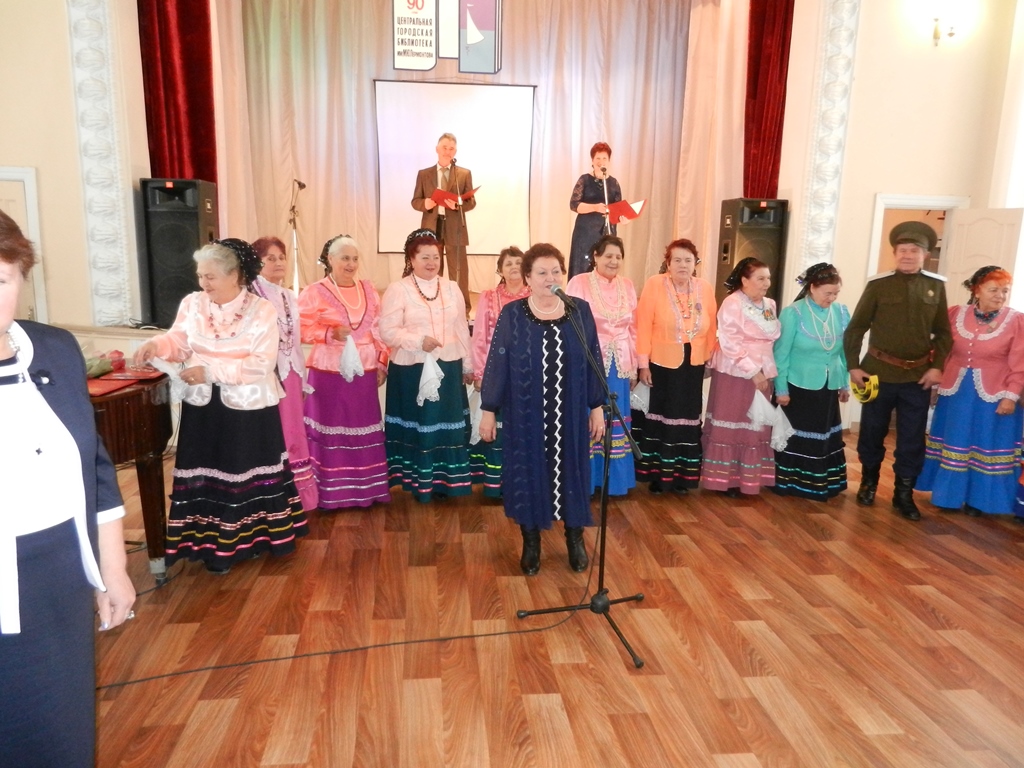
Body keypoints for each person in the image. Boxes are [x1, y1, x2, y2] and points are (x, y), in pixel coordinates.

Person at [0, 209, 135, 766]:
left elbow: (94, 467)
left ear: (22, 278)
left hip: (58, 576)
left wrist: (113, 569)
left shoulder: (54, 349)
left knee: (59, 736)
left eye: (1, 279)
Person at [133, 239, 307, 573]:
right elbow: (178, 341)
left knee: (243, 475)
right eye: (201, 275)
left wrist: (211, 372)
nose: (203, 283)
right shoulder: (193, 303)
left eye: (210, 276)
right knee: (208, 474)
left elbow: (261, 363)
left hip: (249, 410)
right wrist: (156, 343)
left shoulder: (262, 310)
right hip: (204, 407)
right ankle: (207, 543)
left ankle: (249, 543)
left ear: (235, 275)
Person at [479, 243, 605, 575]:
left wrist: (596, 407)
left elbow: (593, 359)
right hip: (525, 413)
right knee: (528, 473)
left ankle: (574, 539)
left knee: (572, 472)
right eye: (542, 272)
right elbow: (498, 363)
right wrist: (488, 409)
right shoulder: (513, 314)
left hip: (571, 413)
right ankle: (531, 543)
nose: (550, 278)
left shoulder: (579, 310)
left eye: (555, 271)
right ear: (528, 278)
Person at [843, 221, 952, 520]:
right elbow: (856, 328)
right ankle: (868, 483)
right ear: (894, 253)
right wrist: (853, 366)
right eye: (902, 250)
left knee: (912, 439)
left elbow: (944, 333)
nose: (907, 255)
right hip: (876, 374)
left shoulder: (936, 286)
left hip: (917, 378)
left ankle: (903, 494)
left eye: (914, 250)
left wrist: (937, 367)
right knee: (871, 432)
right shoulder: (878, 285)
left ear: (925, 255)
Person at [917, 266, 1024, 515]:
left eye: (1005, 290)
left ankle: (982, 501)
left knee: (986, 444)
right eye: (994, 289)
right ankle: (949, 496)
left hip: (995, 396)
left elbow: (1020, 363)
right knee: (957, 442)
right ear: (977, 290)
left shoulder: (1016, 321)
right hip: (956, 394)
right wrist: (936, 384)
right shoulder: (955, 314)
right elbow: (941, 351)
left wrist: (1011, 395)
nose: (1000, 295)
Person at [380, 228, 474, 502]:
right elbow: (387, 331)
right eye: (425, 257)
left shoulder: (452, 287)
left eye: (436, 257)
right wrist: (418, 341)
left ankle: (447, 482)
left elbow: (461, 328)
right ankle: (418, 483)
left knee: (446, 424)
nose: (432, 263)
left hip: (448, 368)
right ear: (411, 259)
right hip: (412, 369)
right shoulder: (398, 289)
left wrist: (468, 364)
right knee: (420, 425)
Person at [299, 235, 391, 509]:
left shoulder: (369, 290)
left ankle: (366, 491)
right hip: (328, 373)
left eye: (354, 258)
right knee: (331, 431)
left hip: (365, 371)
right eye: (344, 258)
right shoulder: (314, 291)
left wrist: (382, 361)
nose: (350, 264)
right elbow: (300, 328)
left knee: (362, 428)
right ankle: (331, 493)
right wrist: (328, 333)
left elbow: (378, 329)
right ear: (330, 259)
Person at [633, 239, 718, 494]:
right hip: (662, 363)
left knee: (689, 418)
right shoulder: (655, 284)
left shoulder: (704, 287)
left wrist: (709, 356)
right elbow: (643, 325)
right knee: (662, 417)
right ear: (668, 263)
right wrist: (643, 364)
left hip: (694, 364)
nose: (683, 265)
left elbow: (712, 326)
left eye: (688, 260)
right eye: (677, 260)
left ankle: (683, 477)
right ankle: (659, 477)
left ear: (695, 264)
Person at [701, 257, 781, 496]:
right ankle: (726, 480)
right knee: (734, 422)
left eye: (768, 278)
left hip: (763, 371)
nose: (766, 283)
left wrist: (764, 371)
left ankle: (748, 478)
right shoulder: (732, 303)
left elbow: (771, 337)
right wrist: (752, 371)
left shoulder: (769, 304)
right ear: (745, 280)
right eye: (761, 278)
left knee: (754, 426)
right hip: (736, 371)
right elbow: (730, 341)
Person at [566, 234, 637, 496]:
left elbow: (634, 328)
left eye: (618, 257)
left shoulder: (627, 285)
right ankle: (586, 481)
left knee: (615, 417)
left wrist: (635, 365)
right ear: (595, 256)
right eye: (608, 256)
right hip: (587, 361)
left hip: (620, 364)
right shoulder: (579, 282)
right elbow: (569, 323)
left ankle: (614, 483)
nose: (613, 261)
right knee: (589, 417)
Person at [772, 263, 851, 500]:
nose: (832, 298)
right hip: (799, 387)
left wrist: (844, 383)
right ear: (812, 288)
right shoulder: (793, 313)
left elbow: (844, 352)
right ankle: (795, 484)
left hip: (828, 386)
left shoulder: (841, 312)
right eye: (828, 293)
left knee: (825, 436)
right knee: (800, 437)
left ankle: (822, 483)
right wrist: (781, 388)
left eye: (836, 293)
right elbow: (781, 354)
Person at [252, 236, 318, 511]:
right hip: (265, 375)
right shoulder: (251, 295)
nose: (278, 263)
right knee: (270, 434)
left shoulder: (289, 295)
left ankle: (297, 495)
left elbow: (296, 340)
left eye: (281, 258)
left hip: (290, 373)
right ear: (257, 262)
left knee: (293, 432)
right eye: (271, 258)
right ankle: (271, 496)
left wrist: (300, 378)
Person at [470, 246, 529, 497]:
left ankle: (523, 484)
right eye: (509, 264)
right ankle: (496, 485)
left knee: (524, 428)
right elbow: (479, 336)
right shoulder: (488, 297)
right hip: (497, 373)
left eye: (518, 263)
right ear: (500, 270)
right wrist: (481, 372)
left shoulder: (535, 295)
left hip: (527, 375)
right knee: (498, 427)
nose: (514, 267)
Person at [411, 132, 477, 306]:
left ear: (455, 152)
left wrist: (457, 205)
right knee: (432, 267)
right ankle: (432, 304)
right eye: (444, 148)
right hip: (432, 226)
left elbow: (471, 202)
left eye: (451, 149)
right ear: (437, 149)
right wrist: (425, 203)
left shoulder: (463, 174)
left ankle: (462, 307)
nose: (447, 152)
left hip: (455, 227)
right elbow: (415, 201)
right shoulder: (424, 174)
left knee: (459, 270)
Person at [568, 142, 623, 278]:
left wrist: (624, 218)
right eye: (597, 158)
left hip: (607, 232)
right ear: (592, 160)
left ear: (609, 161)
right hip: (585, 233)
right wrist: (595, 207)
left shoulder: (613, 183)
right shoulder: (585, 180)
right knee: (583, 268)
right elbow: (574, 204)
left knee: (605, 266)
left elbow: (618, 209)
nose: (601, 161)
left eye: (604, 158)